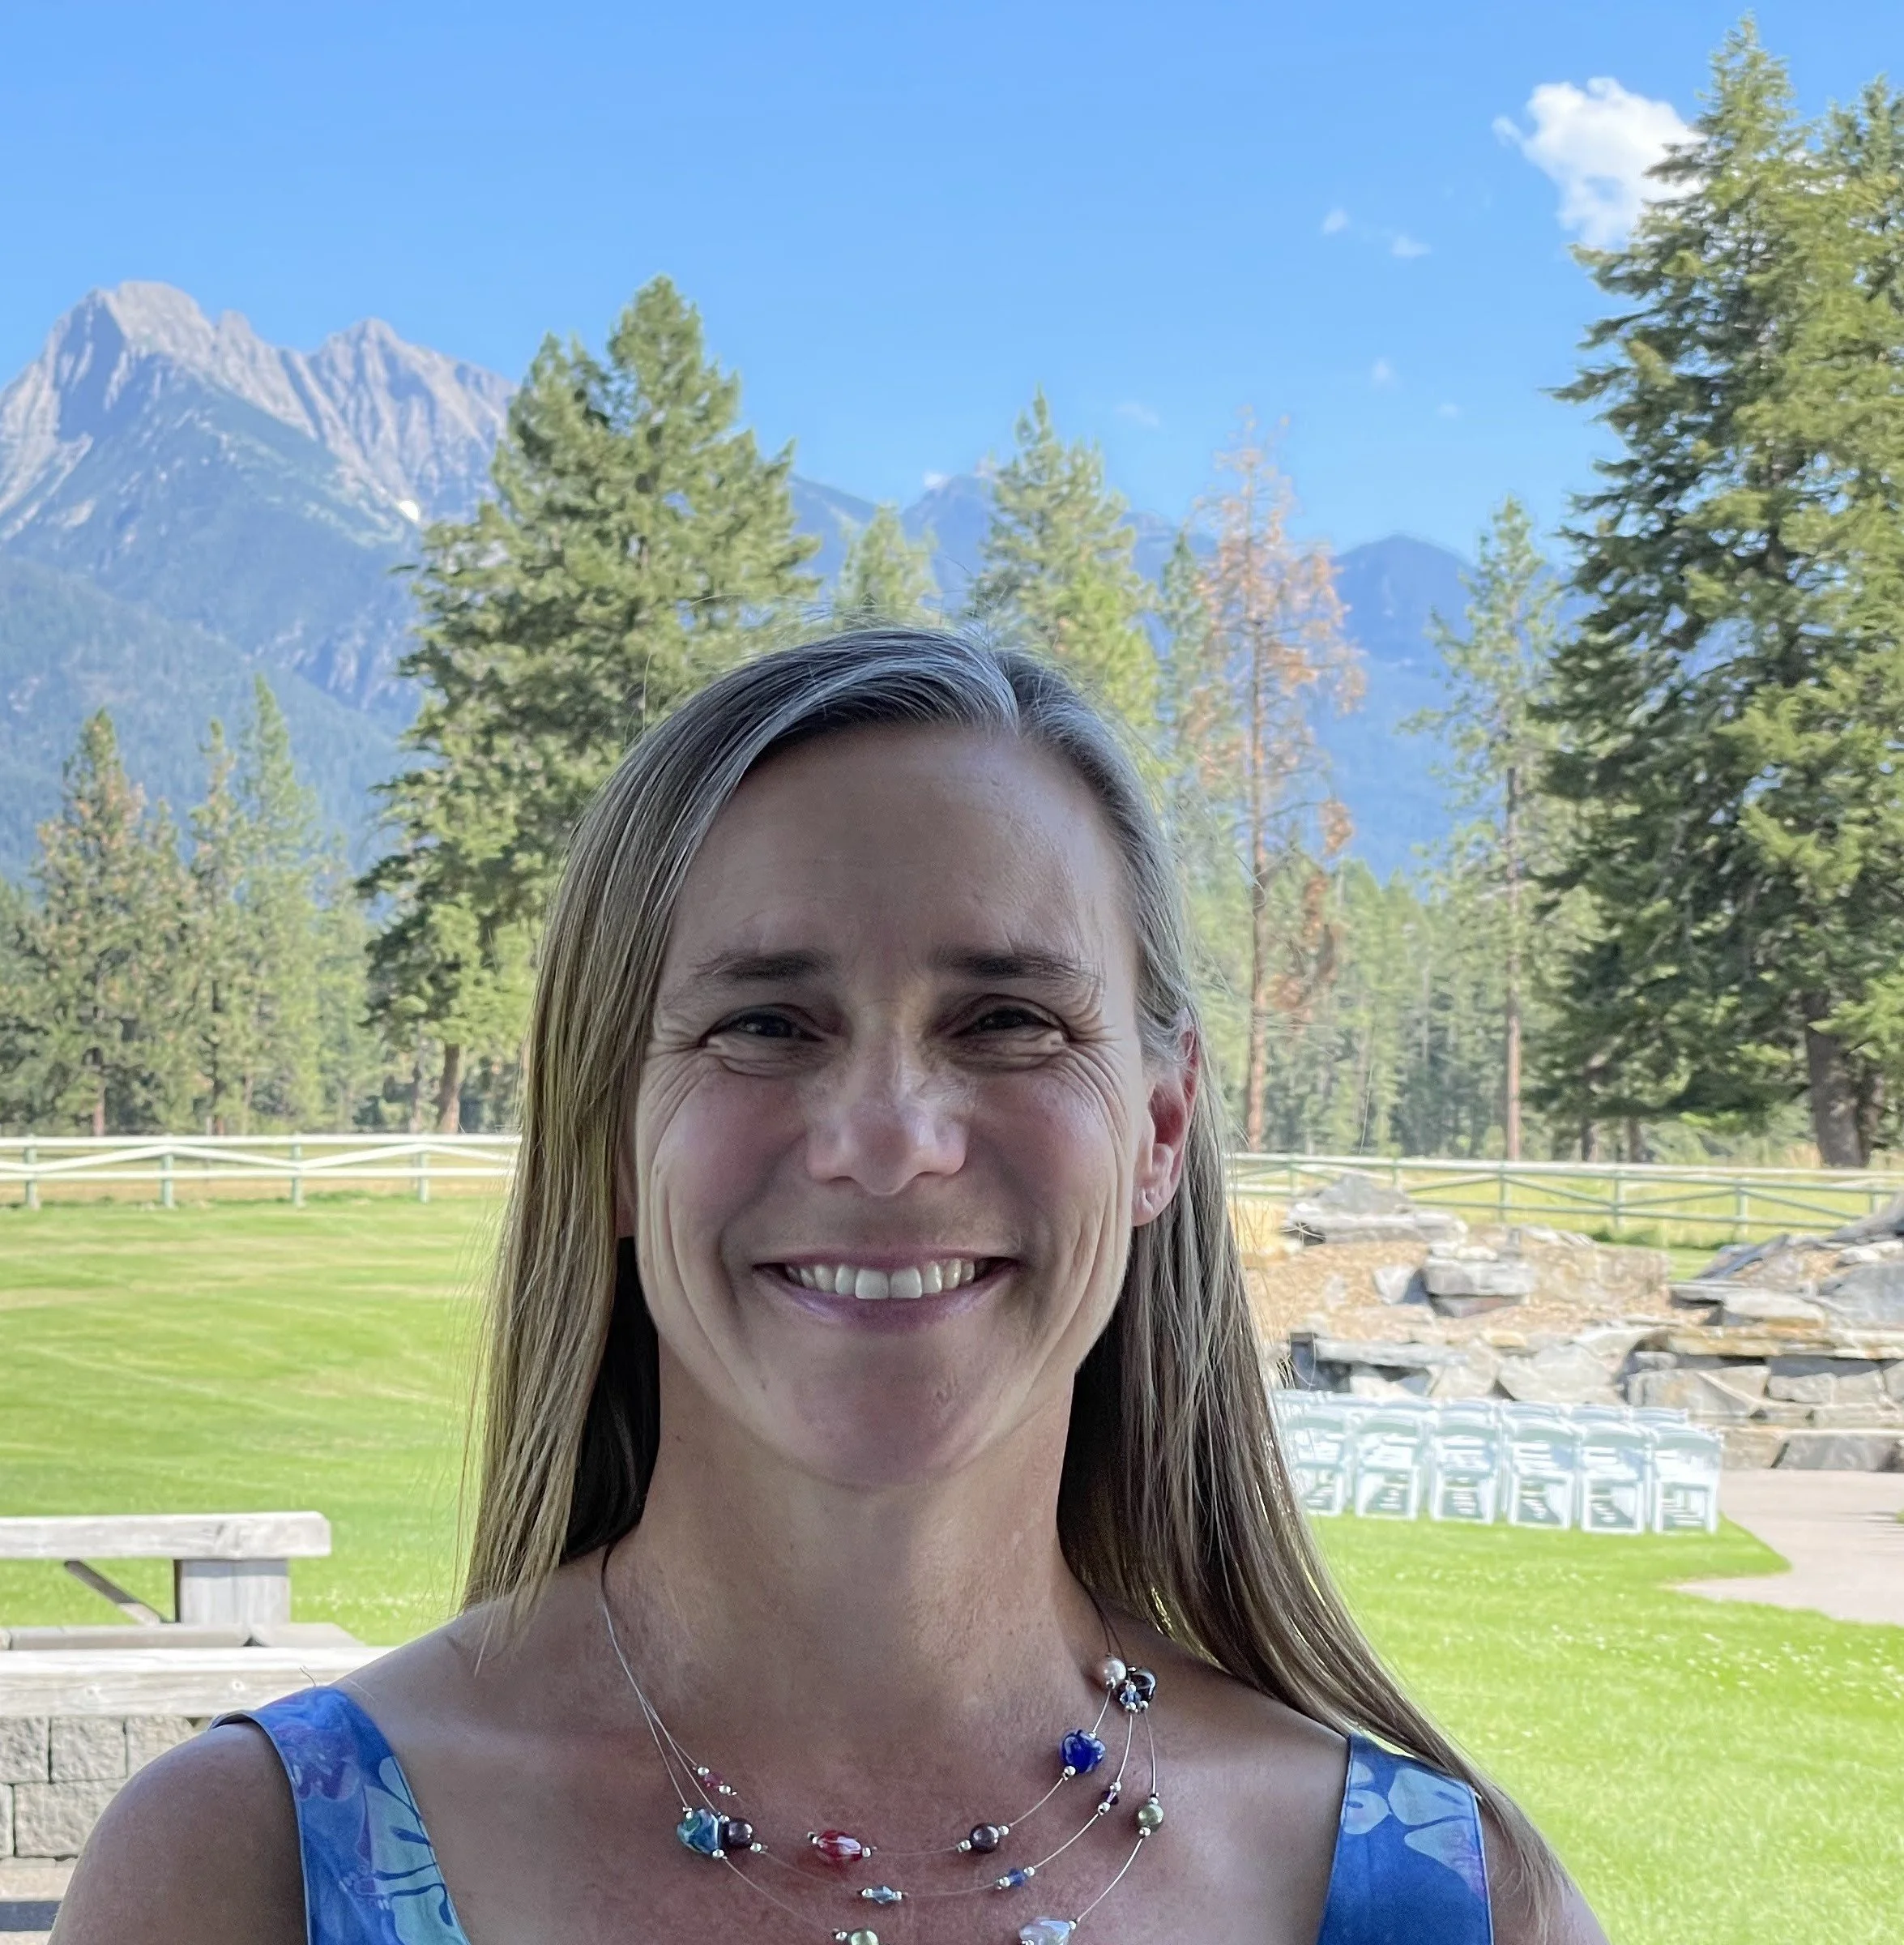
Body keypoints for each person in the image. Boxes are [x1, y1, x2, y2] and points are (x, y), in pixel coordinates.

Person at [55, 631, 1607, 1945]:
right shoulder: (244, 1873)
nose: (888, 1143)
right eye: (765, 1025)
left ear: (1156, 1128)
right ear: (604, 1137)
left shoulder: (1450, 1898)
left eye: (1006, 1018)